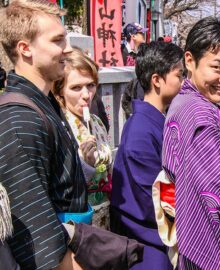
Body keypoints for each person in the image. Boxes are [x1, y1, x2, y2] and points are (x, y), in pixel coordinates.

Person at [0, 1, 143, 269]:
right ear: (25, 49)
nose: (67, 48)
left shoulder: (42, 104)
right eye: (57, 40)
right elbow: (40, 244)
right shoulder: (20, 119)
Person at [162, 16, 220, 269]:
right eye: (217, 67)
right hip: (217, 250)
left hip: (198, 238)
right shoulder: (199, 114)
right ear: (190, 60)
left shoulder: (183, 103)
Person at [111, 41, 184, 270]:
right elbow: (156, 200)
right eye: (179, 75)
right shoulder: (141, 130)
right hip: (149, 247)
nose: (184, 82)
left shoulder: (154, 121)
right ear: (156, 80)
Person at [53, 47, 112, 229]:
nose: (86, 95)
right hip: (79, 221)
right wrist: (85, 165)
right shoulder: (59, 126)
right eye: (76, 88)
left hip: (105, 214)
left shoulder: (97, 122)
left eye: (90, 85)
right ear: (60, 90)